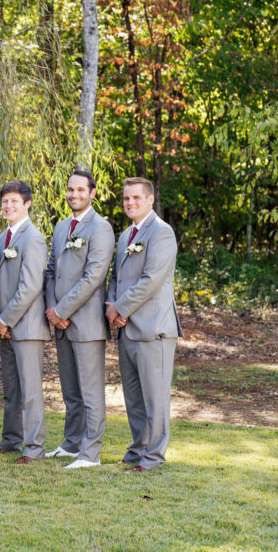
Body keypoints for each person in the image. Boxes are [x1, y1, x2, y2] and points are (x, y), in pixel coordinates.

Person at [106, 176, 181, 472]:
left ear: (150, 199)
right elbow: (116, 278)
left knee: (155, 398)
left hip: (153, 329)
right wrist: (112, 308)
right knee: (134, 397)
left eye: (137, 198)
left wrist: (121, 309)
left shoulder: (162, 233)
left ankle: (153, 457)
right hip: (127, 328)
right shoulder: (125, 236)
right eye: (126, 198)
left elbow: (151, 280)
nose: (130, 203)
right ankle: (138, 448)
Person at [43, 169, 115, 469]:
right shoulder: (61, 227)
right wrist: (51, 309)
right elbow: (50, 272)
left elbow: (94, 277)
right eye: (70, 190)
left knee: (90, 391)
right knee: (70, 391)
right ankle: (72, 444)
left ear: (92, 193)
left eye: (80, 190)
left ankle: (90, 454)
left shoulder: (101, 228)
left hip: (85, 324)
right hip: (60, 323)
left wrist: (62, 311)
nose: (74, 195)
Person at [0, 180, 49, 464]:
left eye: (14, 201)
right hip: (6, 326)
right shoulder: (3, 239)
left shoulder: (33, 238)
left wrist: (7, 319)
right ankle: (10, 440)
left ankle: (34, 447)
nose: (8, 206)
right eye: (5, 201)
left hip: (26, 326)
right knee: (11, 388)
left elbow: (30, 286)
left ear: (27, 204)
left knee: (30, 389)